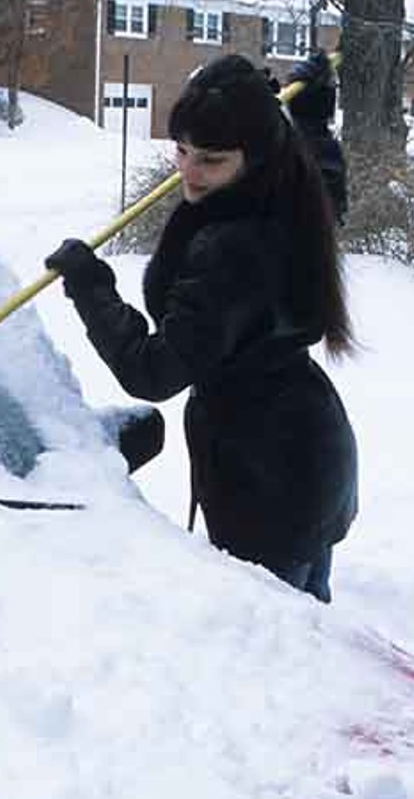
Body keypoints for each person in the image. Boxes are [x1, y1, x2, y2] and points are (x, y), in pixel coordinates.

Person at [45, 51, 357, 603]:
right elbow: (325, 175)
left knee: (277, 646)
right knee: (308, 627)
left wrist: (92, 290)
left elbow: (154, 370)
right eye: (183, 150)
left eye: (210, 159)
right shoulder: (292, 191)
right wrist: (311, 117)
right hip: (311, 453)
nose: (187, 172)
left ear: (255, 156)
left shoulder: (234, 250)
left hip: (263, 478)